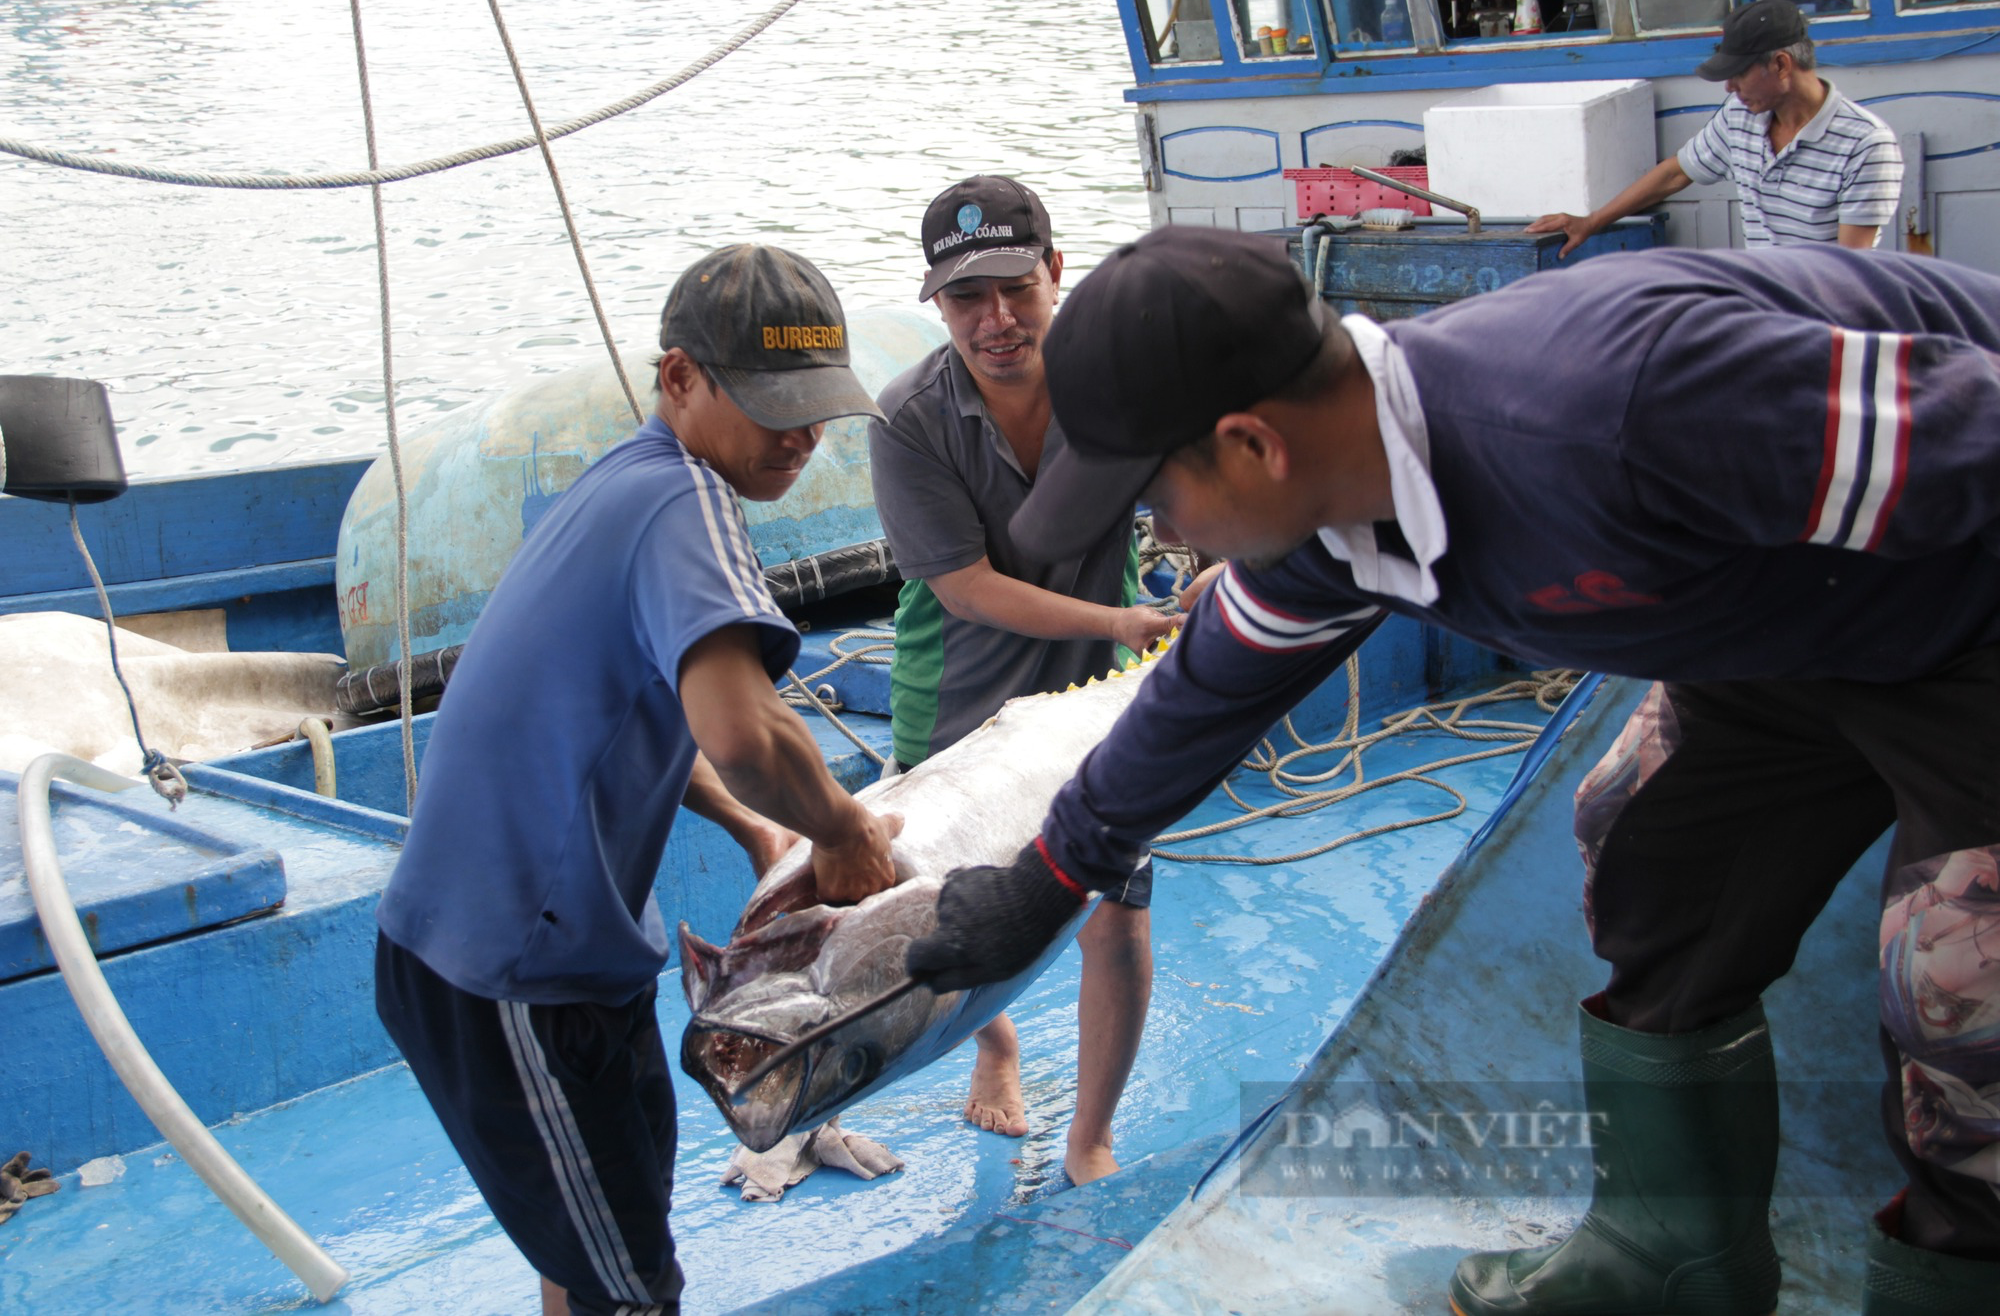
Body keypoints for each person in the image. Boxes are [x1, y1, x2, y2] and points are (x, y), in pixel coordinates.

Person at [904, 226, 2000, 1314]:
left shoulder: (1623, 409)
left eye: (1153, 497)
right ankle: (1671, 1253)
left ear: (1250, 444)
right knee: (1636, 840)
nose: (1158, 526)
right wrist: (1048, 877)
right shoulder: (1329, 524)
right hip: (1776, 629)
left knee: (1959, 983)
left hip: (1965, 623)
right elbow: (1202, 694)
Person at [374, 243, 904, 1316]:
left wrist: (760, 836)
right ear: (678, 380)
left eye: (815, 407)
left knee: (597, 1245)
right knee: (630, 1286)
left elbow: (637, 708)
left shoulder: (622, 484)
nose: (800, 436)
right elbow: (743, 730)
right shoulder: (683, 505)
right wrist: (841, 831)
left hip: (520, 953)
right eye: (769, 406)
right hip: (515, 972)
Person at [868, 175, 1176, 1186]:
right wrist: (1125, 619)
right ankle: (993, 1042)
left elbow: (1181, 496)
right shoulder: (908, 417)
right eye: (966, 299)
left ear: (1054, 272)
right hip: (959, 688)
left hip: (1096, 694)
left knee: (1118, 911)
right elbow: (963, 586)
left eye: (1014, 287)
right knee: (951, 902)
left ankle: (1088, 1130)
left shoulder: (1117, 382)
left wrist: (1210, 551)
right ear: (936, 303)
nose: (996, 320)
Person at [1528, 0, 1903, 256]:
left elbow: (1851, 270)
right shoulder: (1739, 116)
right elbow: (1677, 173)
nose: (1729, 87)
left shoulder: (1866, 144)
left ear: (1782, 66)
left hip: (1822, 323)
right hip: (1760, 311)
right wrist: (1592, 222)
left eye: (1738, 74)